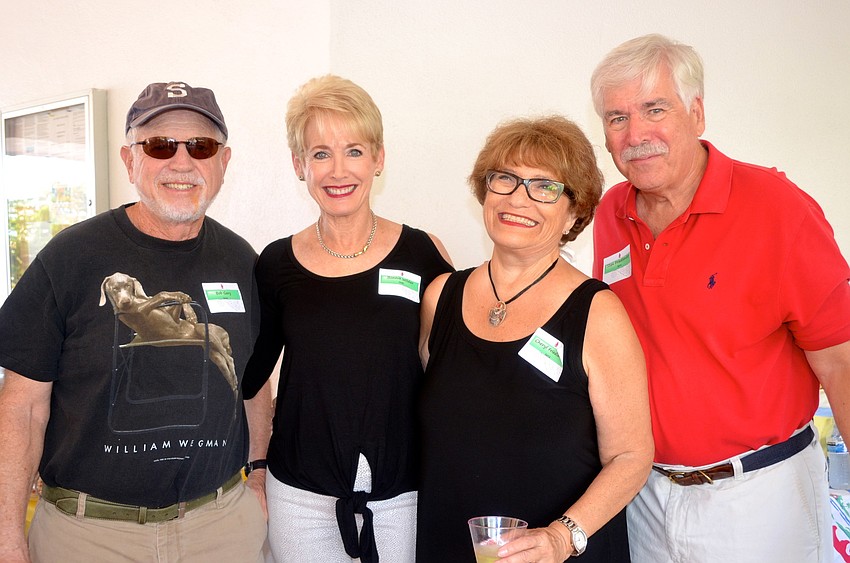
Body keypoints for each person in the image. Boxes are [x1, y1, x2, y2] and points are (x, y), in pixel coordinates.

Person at [590, 34, 850, 562]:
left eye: (653, 109)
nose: (636, 135)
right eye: (617, 119)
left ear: (697, 112)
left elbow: (842, 361)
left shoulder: (778, 209)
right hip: (645, 499)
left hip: (758, 497)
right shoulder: (610, 213)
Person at [0, 81, 271, 562]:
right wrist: (6, 539)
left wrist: (262, 473)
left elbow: (252, 384)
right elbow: (21, 408)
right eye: (160, 145)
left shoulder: (242, 261)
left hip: (219, 529)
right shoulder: (70, 259)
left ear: (223, 163)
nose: (181, 162)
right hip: (91, 537)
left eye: (201, 146)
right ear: (130, 161)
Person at [416, 115, 653, 562]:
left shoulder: (597, 313)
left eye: (544, 187)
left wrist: (562, 537)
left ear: (574, 214)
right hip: (447, 542)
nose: (518, 198)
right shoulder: (440, 297)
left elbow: (631, 456)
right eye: (505, 179)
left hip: (556, 551)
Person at [241, 74, 453, 563]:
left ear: (379, 158)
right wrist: (256, 467)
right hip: (300, 496)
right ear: (300, 165)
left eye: (354, 151)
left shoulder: (423, 254)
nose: (339, 170)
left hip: (401, 495)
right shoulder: (276, 264)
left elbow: (453, 371)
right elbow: (253, 378)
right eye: (320, 153)